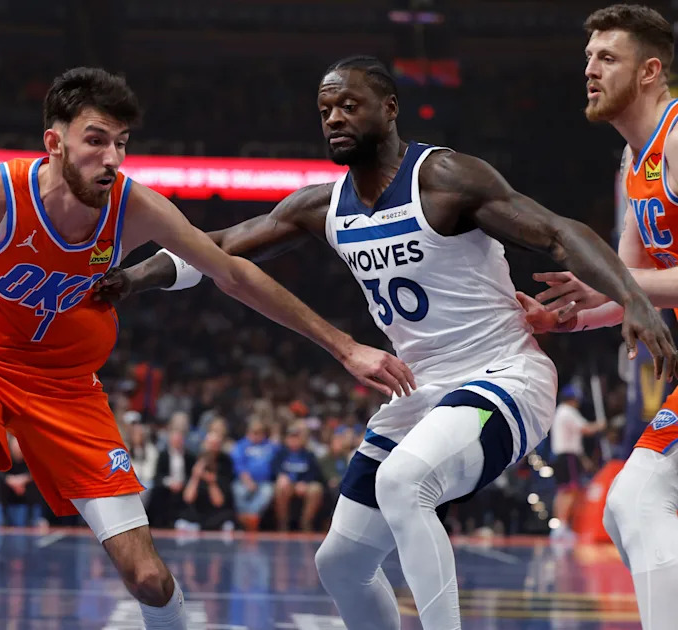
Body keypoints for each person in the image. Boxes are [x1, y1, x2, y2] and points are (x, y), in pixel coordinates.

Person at [0, 67, 410, 630]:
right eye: (96, 141)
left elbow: (231, 272)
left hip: (68, 388)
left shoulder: (136, 207)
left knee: (148, 580)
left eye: (121, 142)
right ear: (53, 143)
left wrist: (343, 344)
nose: (112, 158)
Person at [92, 55, 677, 629]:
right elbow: (216, 246)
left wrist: (633, 296)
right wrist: (133, 277)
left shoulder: (445, 179)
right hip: (418, 391)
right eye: (326, 109)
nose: (335, 118)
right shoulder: (323, 206)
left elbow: (557, 232)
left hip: (504, 376)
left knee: (404, 483)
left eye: (350, 104)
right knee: (341, 563)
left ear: (389, 109)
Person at [520, 6, 678, 627]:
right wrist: (572, 318)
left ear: (650, 71)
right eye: (588, 58)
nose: (588, 70)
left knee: (636, 498)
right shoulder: (631, 164)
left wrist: (606, 281)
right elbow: (633, 289)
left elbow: (626, 282)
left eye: (606, 58)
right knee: (628, 504)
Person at [549, 383, 606, 541]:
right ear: (573, 400)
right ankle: (563, 525)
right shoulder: (568, 412)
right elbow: (586, 429)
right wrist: (601, 425)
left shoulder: (559, 412)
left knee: (562, 491)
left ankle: (560, 526)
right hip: (568, 456)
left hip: (562, 455)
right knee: (570, 491)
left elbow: (574, 439)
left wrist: (584, 460)